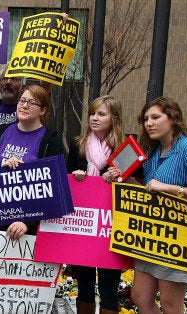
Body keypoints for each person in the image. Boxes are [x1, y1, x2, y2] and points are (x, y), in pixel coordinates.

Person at [130, 97, 187, 314]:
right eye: (146, 119)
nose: (149, 123)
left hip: (183, 233)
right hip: (152, 233)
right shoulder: (153, 151)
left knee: (170, 305)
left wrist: (169, 188)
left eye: (156, 117)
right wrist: (119, 177)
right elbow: (147, 188)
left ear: (173, 119)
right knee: (140, 296)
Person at [0, 84, 64, 238]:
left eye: (32, 103)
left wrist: (28, 223)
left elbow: (55, 191)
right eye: (22, 100)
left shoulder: (51, 141)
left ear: (42, 110)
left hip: (25, 229)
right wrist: (1, 170)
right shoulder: (1, 132)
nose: (24, 106)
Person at [66, 95, 125, 314]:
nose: (94, 118)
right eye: (92, 113)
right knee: (85, 285)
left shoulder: (124, 148)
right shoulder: (77, 144)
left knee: (109, 287)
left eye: (101, 114)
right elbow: (67, 178)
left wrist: (119, 177)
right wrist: (76, 175)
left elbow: (136, 182)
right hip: (84, 226)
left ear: (114, 118)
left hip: (111, 227)